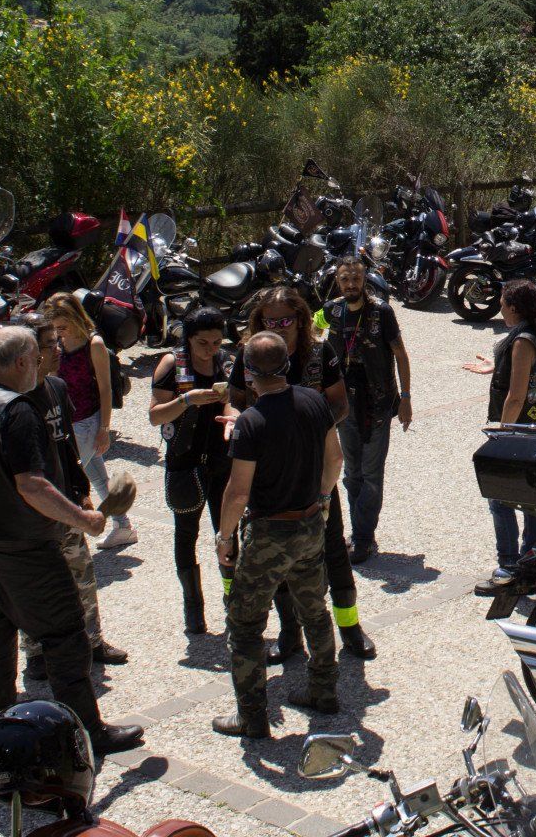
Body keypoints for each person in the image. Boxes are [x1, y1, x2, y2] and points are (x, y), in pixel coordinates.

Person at [0, 326, 143, 758]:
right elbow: (31, 485)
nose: (43, 364)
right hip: (24, 544)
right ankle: (88, 731)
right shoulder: (18, 409)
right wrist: (85, 519)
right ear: (20, 362)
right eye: (37, 358)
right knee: (66, 636)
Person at [211, 332, 343, 740]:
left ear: (248, 373)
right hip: (309, 524)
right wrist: (323, 500)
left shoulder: (251, 422)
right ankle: (324, 691)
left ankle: (252, 717)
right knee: (315, 610)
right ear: (286, 365)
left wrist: (224, 537)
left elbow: (238, 492)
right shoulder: (315, 402)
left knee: (245, 624)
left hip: (269, 532)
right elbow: (335, 459)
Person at [239, 287, 375, 661]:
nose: (278, 327)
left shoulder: (320, 352)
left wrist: (307, 427)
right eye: (270, 321)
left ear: (300, 320)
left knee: (334, 551)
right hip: (269, 474)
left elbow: (340, 404)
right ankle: (290, 633)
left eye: (286, 320)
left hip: (316, 469)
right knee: (279, 558)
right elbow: (235, 401)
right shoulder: (251, 353)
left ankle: (350, 627)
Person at [19, 315, 127, 678]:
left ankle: (92, 641)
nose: (59, 349)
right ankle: (36, 652)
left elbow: (67, 447)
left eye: (58, 341)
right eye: (50, 344)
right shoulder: (10, 399)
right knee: (34, 583)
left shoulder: (57, 388)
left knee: (82, 574)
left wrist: (81, 493)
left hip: (65, 503)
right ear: (28, 353)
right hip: (30, 512)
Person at [149, 307, 235, 639]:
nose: (210, 349)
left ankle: (232, 599)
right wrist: (187, 400)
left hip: (221, 461)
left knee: (227, 532)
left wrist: (230, 410)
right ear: (188, 339)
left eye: (216, 342)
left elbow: (235, 400)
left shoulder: (224, 361)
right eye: (203, 343)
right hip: (185, 463)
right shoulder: (173, 364)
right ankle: (193, 607)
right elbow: (155, 416)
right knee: (186, 534)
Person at [321, 258, 412, 564]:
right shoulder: (331, 311)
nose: (351, 285)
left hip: (378, 402)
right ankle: (359, 532)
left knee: (371, 473)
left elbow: (400, 354)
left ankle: (362, 537)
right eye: (345, 280)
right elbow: (312, 336)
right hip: (344, 403)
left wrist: (406, 398)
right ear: (337, 282)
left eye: (356, 279)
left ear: (364, 281)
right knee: (351, 473)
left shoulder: (381, 312)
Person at [44, 294, 135, 550]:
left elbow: (106, 389)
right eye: (55, 328)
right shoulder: (59, 343)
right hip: (66, 421)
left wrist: (104, 428)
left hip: (87, 420)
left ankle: (69, 539)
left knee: (67, 481)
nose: (59, 332)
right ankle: (123, 526)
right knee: (97, 476)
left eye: (62, 327)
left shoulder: (93, 344)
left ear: (75, 318)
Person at [482, 280, 536, 589]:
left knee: (500, 497)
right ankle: (533, 562)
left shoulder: (524, 340)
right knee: (534, 500)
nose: (500, 309)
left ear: (513, 308)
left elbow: (516, 395)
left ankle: (510, 564)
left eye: (502, 304)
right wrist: (496, 364)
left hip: (520, 428)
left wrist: (502, 433)